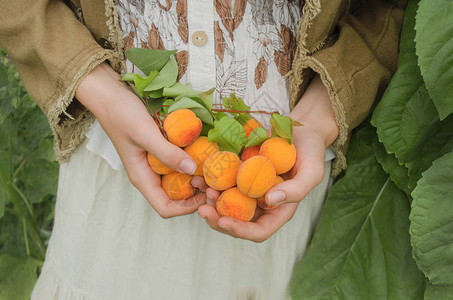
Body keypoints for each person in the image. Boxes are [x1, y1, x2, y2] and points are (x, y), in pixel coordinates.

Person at [0, 0, 407, 299]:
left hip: (287, 179)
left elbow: (390, 11)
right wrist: (100, 91)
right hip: (114, 172)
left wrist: (321, 114)